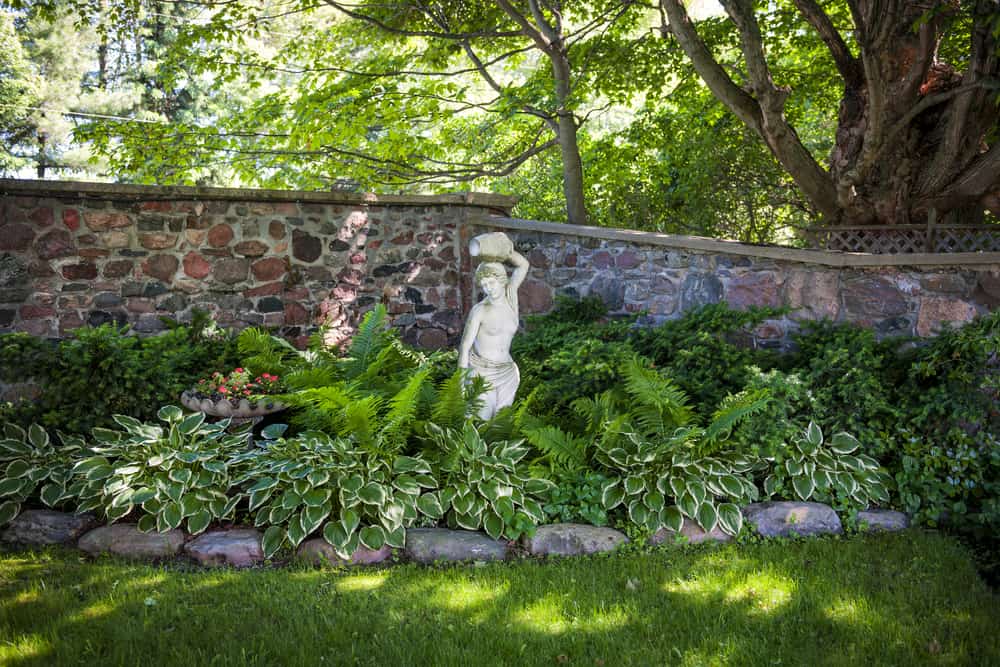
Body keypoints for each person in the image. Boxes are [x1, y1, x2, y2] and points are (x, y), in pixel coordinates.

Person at [458, 233, 529, 420]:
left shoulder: (511, 299)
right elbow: (465, 346)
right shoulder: (480, 310)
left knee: (500, 426)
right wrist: (461, 382)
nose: (488, 288)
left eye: (491, 282)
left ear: (502, 279)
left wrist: (505, 250)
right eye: (484, 285)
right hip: (481, 373)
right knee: (481, 422)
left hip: (507, 373)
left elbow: (523, 265)